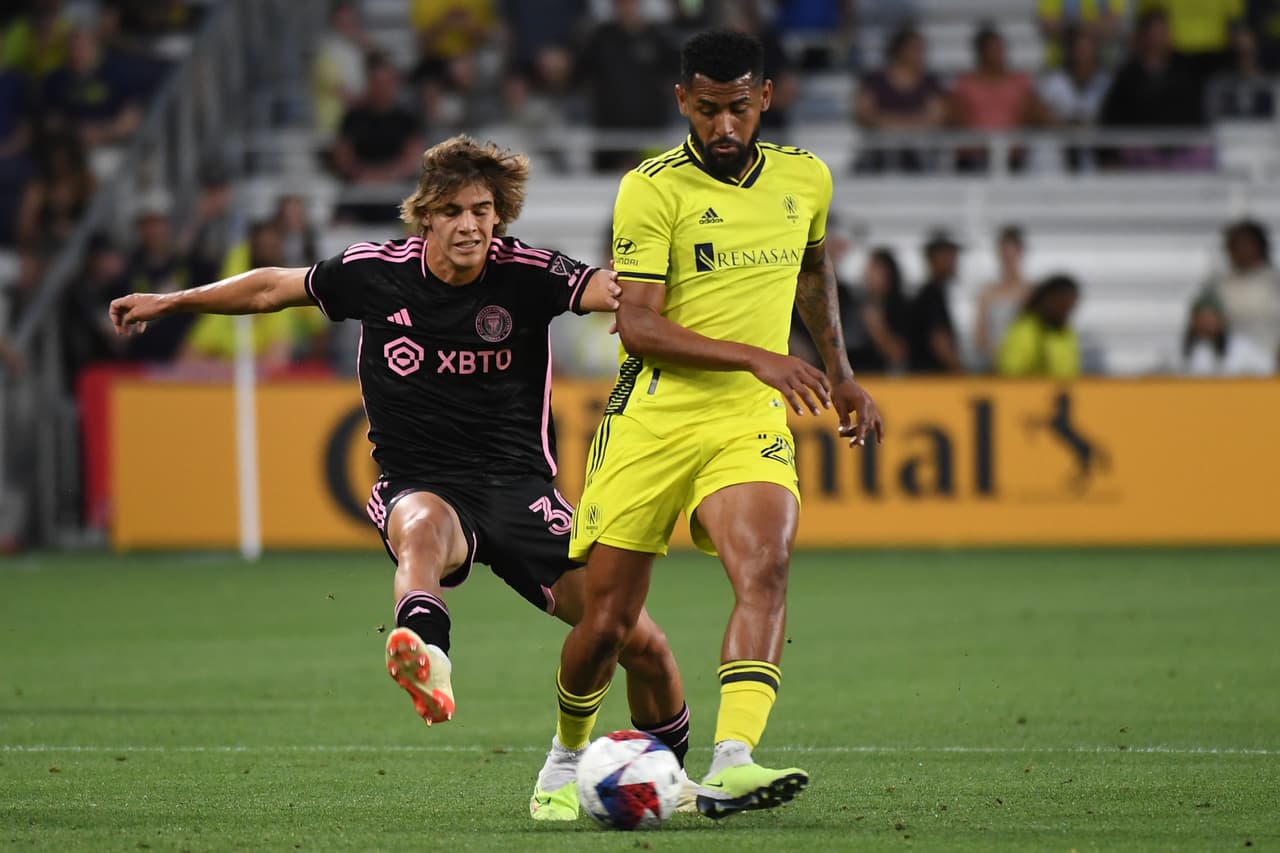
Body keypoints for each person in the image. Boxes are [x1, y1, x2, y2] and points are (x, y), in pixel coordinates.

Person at [107, 136, 696, 814]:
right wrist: (172, 300)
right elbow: (272, 286)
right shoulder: (374, 272)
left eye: (483, 210)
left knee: (636, 640)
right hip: (422, 478)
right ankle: (427, 656)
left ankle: (672, 776)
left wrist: (680, 291)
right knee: (420, 529)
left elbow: (608, 290)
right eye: (453, 211)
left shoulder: (527, 272)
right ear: (425, 217)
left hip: (519, 487)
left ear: (498, 214)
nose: (471, 225)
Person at [538, 29, 883, 822]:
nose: (723, 127)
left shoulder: (805, 178)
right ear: (682, 103)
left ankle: (732, 760)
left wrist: (841, 373)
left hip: (746, 419)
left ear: (765, 97)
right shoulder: (651, 189)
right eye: (705, 110)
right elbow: (641, 326)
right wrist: (758, 356)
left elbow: (812, 267)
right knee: (608, 623)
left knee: (765, 566)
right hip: (654, 413)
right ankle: (562, 758)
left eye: (737, 108)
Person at [1202, 219, 1280, 363]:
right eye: (1234, 245)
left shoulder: (1275, 282)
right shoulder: (1217, 285)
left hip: (1272, 363)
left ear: (1260, 246)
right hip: (1232, 368)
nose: (1240, 250)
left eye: (1245, 244)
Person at [995, 273, 1082, 379]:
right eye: (1063, 305)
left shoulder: (1067, 334)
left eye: (1070, 307)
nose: (1066, 312)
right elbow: (1009, 374)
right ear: (1047, 300)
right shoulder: (1025, 330)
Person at [1170, 292, 1275, 375]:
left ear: (1221, 320)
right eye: (1201, 318)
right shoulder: (1177, 350)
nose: (1206, 323)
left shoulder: (1241, 349)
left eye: (1211, 318)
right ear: (1193, 321)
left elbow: (1267, 369)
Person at [906, 229, 965, 374]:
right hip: (931, 378)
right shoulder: (932, 294)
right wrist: (960, 371)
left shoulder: (932, 292)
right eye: (949, 254)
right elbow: (939, 341)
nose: (954, 259)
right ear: (935, 257)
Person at [973, 225, 1032, 368]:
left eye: (1010, 253)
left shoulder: (1032, 291)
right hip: (994, 363)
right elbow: (980, 334)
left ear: (1020, 252)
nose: (1007, 258)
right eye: (1003, 252)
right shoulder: (987, 292)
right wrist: (997, 356)